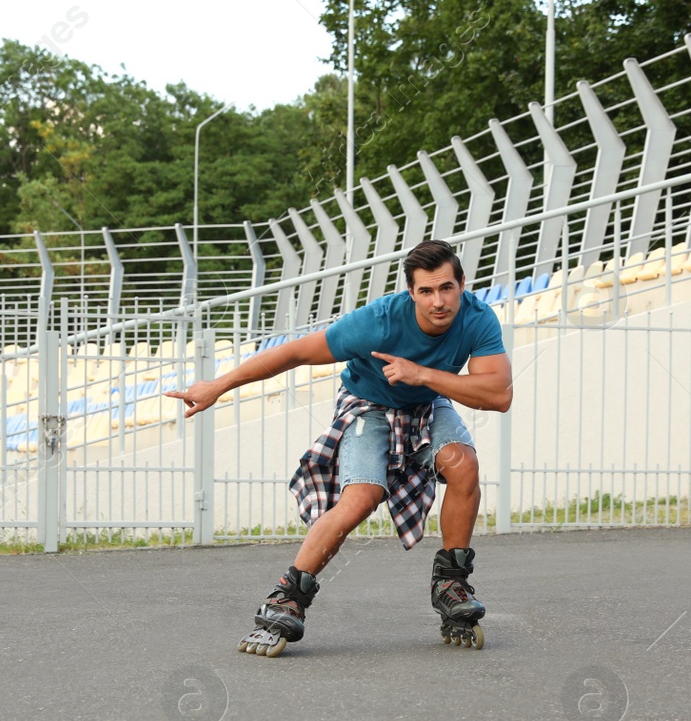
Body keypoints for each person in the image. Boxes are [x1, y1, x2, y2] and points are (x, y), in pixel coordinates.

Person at [167, 240, 513, 655]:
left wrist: (421, 374)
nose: (438, 302)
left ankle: (451, 583)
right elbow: (295, 352)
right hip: (368, 406)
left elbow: (498, 395)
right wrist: (219, 386)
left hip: (426, 400)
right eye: (426, 291)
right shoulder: (378, 322)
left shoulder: (477, 317)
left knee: (464, 465)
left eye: (446, 288)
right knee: (360, 498)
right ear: (411, 293)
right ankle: (288, 596)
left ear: (462, 284)